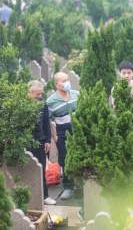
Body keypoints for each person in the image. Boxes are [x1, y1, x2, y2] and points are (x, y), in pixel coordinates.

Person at [47, 72, 79, 200]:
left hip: (77, 129)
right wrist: (54, 136)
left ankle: (80, 183)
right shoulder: (51, 101)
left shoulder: (76, 94)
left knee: (79, 154)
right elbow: (48, 120)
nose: (66, 82)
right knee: (65, 158)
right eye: (63, 80)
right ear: (56, 84)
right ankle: (68, 186)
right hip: (61, 131)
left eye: (67, 79)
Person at [27, 80, 57, 205]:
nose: (40, 97)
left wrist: (47, 141)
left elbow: (46, 123)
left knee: (41, 169)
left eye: (41, 94)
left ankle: (44, 196)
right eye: (37, 94)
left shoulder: (43, 105)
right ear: (29, 93)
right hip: (26, 142)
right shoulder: (22, 105)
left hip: (40, 142)